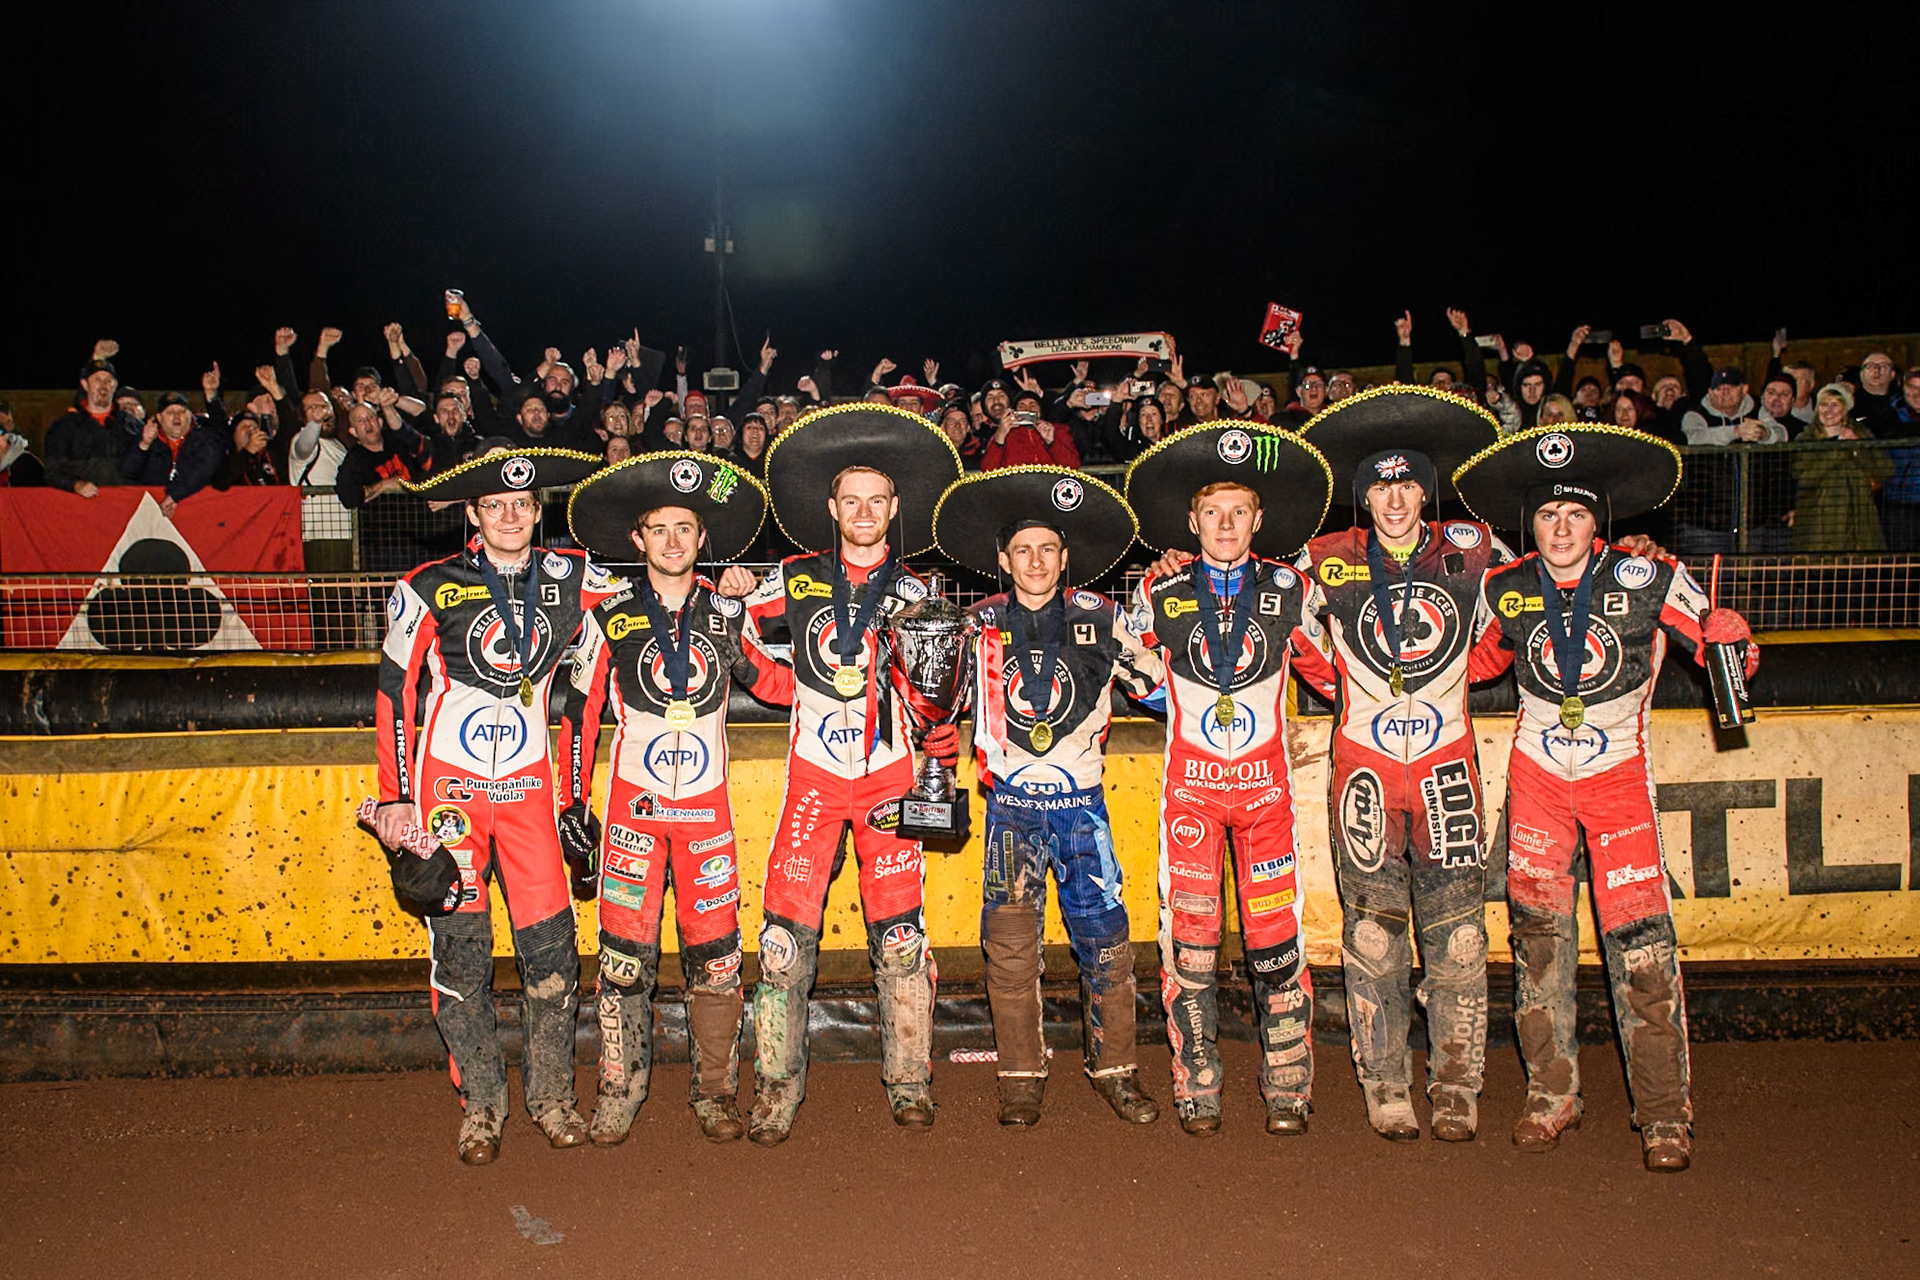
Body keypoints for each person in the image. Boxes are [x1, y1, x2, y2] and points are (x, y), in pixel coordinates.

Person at [1457, 425, 1760, 1173]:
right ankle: (1549, 1096)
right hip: (1536, 785)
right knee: (1539, 946)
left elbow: (1729, 656)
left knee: (1644, 952)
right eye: (1549, 517)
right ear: (1531, 524)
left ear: (1601, 524)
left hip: (1619, 783)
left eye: (1577, 517)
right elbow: (1463, 665)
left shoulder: (1646, 576)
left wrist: (1733, 640)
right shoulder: (1506, 586)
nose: (1561, 530)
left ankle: (1663, 1114)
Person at [372, 446, 609, 1164]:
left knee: (552, 960)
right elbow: (393, 696)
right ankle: (481, 1106)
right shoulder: (425, 586)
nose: (510, 516)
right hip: (452, 800)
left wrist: (728, 583)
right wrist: (395, 798)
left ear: (540, 512)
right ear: (472, 514)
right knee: (463, 959)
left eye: (523, 505)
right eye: (495, 506)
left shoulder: (572, 576)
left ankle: (552, 1098)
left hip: (533, 798)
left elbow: (638, 613)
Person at [741, 405, 962, 1143]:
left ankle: (910, 1082)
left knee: (900, 939)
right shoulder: (796, 577)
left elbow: (938, 705)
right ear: (831, 509)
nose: (864, 513)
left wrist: (942, 770)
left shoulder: (920, 592)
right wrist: (752, 641)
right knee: (781, 941)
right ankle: (776, 1090)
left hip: (888, 779)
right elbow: (751, 655)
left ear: (894, 510)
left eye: (877, 501)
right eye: (851, 501)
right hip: (812, 777)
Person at [1294, 387, 1508, 1141]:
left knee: (1459, 939)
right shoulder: (1325, 558)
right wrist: (1347, 686)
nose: (1393, 498)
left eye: (1406, 484)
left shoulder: (1475, 549)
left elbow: (1525, 610)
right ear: (1365, 495)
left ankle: (1456, 1084)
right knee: (1374, 938)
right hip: (1364, 772)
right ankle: (1386, 1083)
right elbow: (1286, 629)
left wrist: (1469, 671)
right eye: (1379, 487)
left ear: (1425, 490)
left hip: (1449, 768)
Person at [561, 453, 789, 1145]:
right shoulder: (611, 618)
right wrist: (574, 804)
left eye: (684, 528)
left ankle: (715, 1094)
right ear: (638, 540)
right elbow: (579, 712)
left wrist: (850, 670)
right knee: (623, 960)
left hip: (707, 821)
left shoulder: (726, 610)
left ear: (700, 537)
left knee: (717, 959)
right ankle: (618, 1092)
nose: (671, 541)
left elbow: (777, 686)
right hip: (633, 813)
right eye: (658, 529)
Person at [931, 466, 1164, 1127]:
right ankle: (1021, 1079)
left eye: (1048, 550)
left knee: (1108, 942)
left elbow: (1162, 691)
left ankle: (1117, 1071)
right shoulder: (975, 624)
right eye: (1022, 551)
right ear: (1003, 560)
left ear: (1065, 559)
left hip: (1082, 810)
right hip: (1011, 813)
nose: (1035, 562)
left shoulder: (1102, 618)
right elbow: (935, 705)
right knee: (1008, 948)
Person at [1124, 423, 1334, 1136]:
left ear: (1259, 520)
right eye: (1211, 512)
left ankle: (1288, 1085)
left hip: (1267, 797)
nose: (1224, 524)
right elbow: (1130, 673)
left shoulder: (1292, 587)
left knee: (1277, 941)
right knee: (1191, 943)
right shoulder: (1159, 588)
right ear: (1191, 521)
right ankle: (1197, 1083)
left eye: (1238, 511)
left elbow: (1333, 675)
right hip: (1191, 792)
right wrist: (1167, 690)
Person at [1791, 384, 1893, 552]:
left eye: (1835, 404)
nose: (1828, 410)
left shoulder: (1862, 434)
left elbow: (1885, 469)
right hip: (1817, 521)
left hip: (1858, 519)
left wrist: (1857, 447)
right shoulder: (1805, 438)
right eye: (1823, 404)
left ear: (1845, 408)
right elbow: (1804, 477)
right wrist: (1838, 450)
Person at [45, 357, 143, 496]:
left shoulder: (132, 426)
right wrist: (76, 485)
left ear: (115, 386)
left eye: (108, 380)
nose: (103, 385)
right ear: (85, 384)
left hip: (123, 505)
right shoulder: (64, 427)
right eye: (97, 379)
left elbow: (144, 467)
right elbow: (52, 471)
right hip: (81, 506)